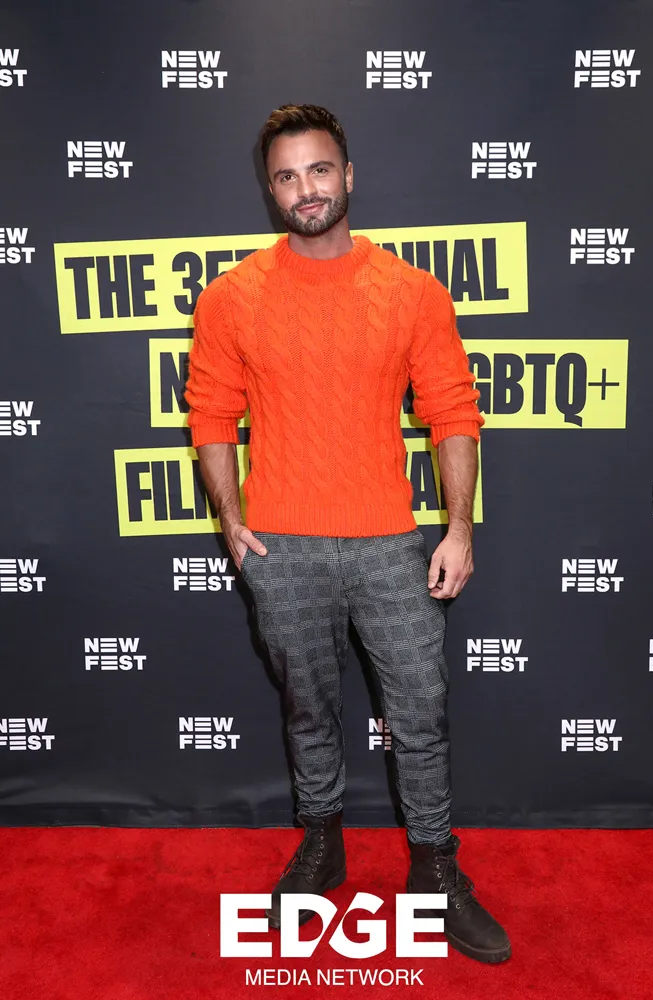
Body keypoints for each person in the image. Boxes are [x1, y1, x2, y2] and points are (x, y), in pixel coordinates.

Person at [184, 104, 510, 964]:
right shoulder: (230, 297)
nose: (305, 189)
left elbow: (452, 412)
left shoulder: (411, 291)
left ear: (348, 175)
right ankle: (322, 844)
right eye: (286, 175)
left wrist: (458, 528)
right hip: (279, 547)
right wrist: (230, 520)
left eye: (319, 169)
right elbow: (211, 414)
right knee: (308, 707)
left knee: (421, 711)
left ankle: (434, 869)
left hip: (389, 545)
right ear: (270, 190)